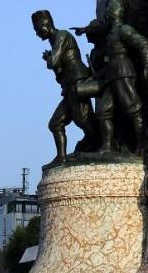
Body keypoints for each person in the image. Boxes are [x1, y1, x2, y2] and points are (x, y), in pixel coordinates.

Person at [75, 0, 148, 153]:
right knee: (103, 111)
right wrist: (85, 30)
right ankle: (107, 145)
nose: (106, 13)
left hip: (123, 72)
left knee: (132, 108)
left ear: (114, 12)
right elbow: (99, 30)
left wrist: (147, 65)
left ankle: (142, 143)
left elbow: (142, 43)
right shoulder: (110, 33)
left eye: (109, 10)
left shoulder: (123, 30)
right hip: (112, 75)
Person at [32, 9, 98, 164]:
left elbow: (54, 62)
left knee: (83, 120)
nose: (36, 33)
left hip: (78, 83)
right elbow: (59, 72)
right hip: (69, 86)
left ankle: (100, 145)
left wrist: (49, 59)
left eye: (37, 29)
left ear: (45, 24)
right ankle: (61, 157)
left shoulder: (61, 36)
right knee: (55, 124)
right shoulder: (54, 40)